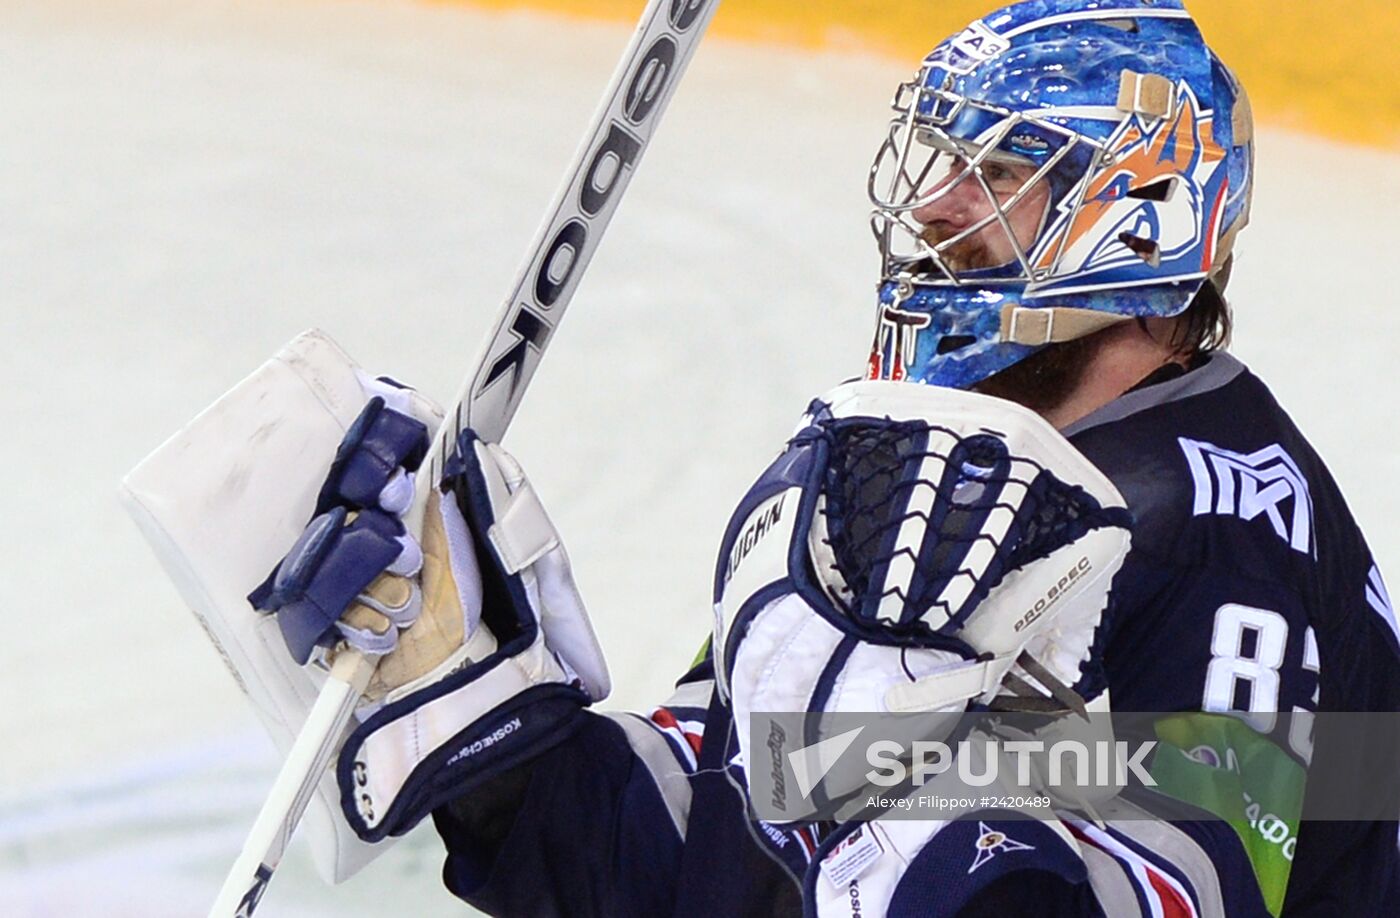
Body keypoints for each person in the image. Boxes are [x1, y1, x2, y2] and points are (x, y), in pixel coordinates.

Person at [252, 0, 1400, 914]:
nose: (936, 208)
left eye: (996, 178)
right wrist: (481, 710)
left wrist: (901, 807)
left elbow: (1173, 884)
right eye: (941, 164)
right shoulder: (920, 468)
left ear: (1135, 218)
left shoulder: (1216, 538)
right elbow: (711, 852)